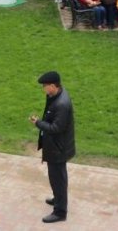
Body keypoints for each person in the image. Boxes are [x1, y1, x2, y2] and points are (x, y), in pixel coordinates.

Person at [30, 71, 75, 224]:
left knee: (58, 179)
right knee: (56, 178)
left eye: (45, 86)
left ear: (52, 86)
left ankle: (60, 211)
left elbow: (56, 128)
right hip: (55, 146)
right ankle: (58, 199)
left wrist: (38, 123)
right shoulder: (54, 96)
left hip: (58, 149)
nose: (43, 89)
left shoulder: (62, 104)